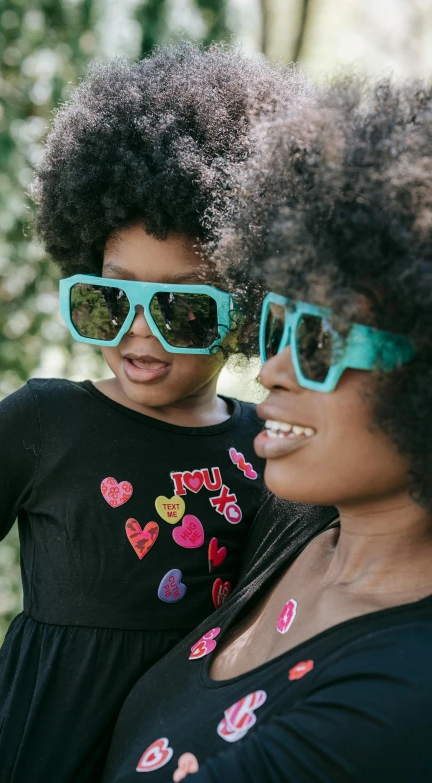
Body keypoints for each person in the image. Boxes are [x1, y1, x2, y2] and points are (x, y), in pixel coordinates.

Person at [0, 46, 309, 783]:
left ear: (246, 308)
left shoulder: (271, 446)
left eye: (185, 307)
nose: (141, 331)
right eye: (111, 297)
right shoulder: (41, 422)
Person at [99, 79, 432, 781]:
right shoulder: (293, 522)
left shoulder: (405, 693)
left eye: (322, 342)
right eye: (279, 325)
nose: (271, 370)